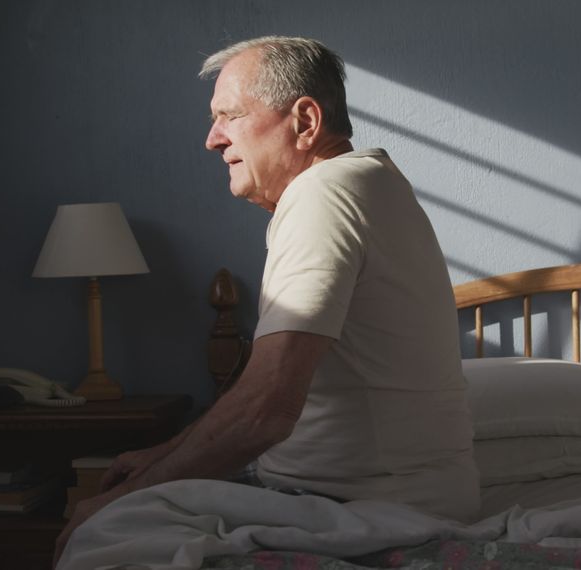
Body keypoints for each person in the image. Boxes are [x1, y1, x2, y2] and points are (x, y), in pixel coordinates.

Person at [54, 36, 478, 564]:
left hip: (371, 507)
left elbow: (268, 408)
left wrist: (124, 498)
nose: (212, 139)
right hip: (395, 496)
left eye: (229, 115)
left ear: (304, 122)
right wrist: (160, 455)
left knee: (103, 531)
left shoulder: (324, 194)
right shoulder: (372, 182)